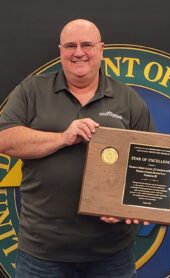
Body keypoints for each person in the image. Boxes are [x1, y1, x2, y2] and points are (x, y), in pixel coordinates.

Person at [0, 19, 154, 277]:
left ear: (101, 49)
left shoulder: (127, 98)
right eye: (70, 45)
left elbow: (147, 164)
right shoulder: (32, 90)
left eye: (87, 45)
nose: (79, 52)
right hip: (42, 251)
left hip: (110, 253)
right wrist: (62, 137)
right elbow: (4, 138)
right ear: (60, 50)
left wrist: (127, 208)